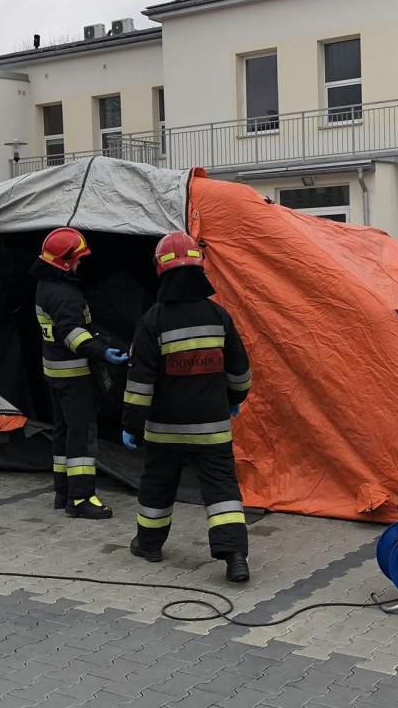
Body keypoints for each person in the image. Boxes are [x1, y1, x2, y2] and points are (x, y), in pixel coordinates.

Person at [121, 231, 253, 583]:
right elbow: (240, 372)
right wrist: (233, 400)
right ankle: (235, 556)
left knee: (157, 486)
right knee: (222, 489)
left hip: (164, 430)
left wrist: (132, 424)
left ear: (160, 270)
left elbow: (140, 383)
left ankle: (149, 545)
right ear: (199, 267)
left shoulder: (152, 320)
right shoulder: (219, 316)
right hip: (212, 428)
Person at [32, 227, 129, 519]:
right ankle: (81, 498)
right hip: (73, 376)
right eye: (78, 258)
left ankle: (63, 491)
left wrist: (100, 341)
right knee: (82, 433)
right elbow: (72, 334)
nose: (80, 263)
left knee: (63, 430)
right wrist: (102, 352)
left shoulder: (45, 286)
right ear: (65, 261)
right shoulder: (64, 294)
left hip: (54, 373)